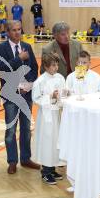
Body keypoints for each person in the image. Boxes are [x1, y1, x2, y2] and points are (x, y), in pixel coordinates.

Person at [0, 20, 40, 174]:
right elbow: (2, 69)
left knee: (26, 129)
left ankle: (25, 159)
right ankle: (12, 161)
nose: (17, 32)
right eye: (14, 30)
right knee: (11, 130)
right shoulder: (0, 48)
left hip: (26, 95)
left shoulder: (27, 46)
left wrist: (29, 83)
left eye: (19, 29)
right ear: (7, 32)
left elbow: (34, 67)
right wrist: (19, 58)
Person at [32, 53, 66, 185]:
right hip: (46, 117)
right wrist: (50, 96)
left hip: (57, 114)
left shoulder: (60, 78)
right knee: (47, 143)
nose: (56, 67)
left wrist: (64, 95)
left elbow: (63, 92)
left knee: (55, 142)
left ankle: (52, 168)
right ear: (46, 67)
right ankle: (45, 171)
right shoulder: (40, 81)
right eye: (53, 65)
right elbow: (36, 98)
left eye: (57, 64)